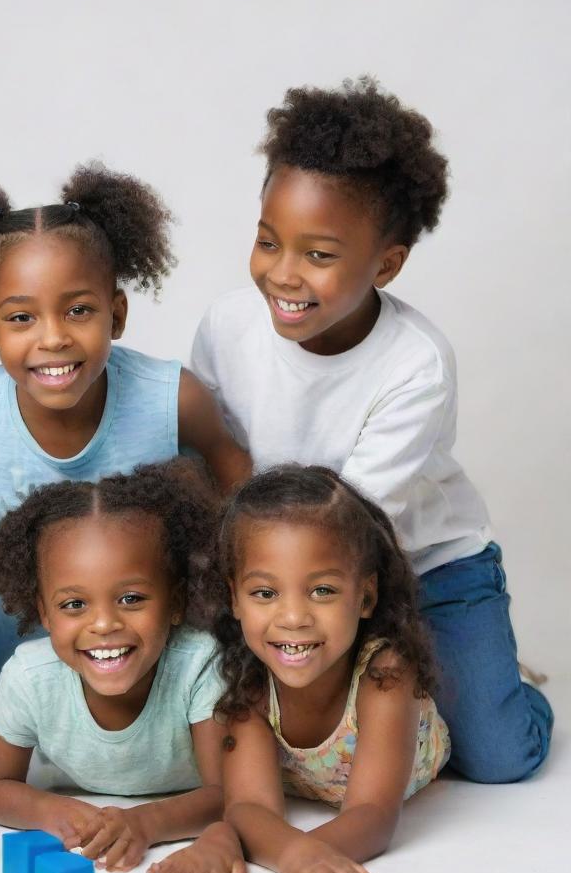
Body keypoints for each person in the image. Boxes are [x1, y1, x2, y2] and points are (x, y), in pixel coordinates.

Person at [190, 77, 552, 783]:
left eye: (319, 256)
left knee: (499, 757)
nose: (283, 274)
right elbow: (217, 458)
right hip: (283, 572)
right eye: (269, 242)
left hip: (418, 566)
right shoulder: (227, 327)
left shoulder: (415, 363)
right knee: (198, 716)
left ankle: (508, 682)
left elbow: (347, 528)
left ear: (385, 264)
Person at [0, 162, 250, 709]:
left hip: (155, 623)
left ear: (117, 313)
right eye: (21, 319)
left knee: (226, 685)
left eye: (79, 310)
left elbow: (238, 480)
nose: (54, 338)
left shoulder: (170, 397)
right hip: (28, 625)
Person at [149, 465, 450, 873]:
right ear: (234, 598)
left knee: (499, 741)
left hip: (424, 749)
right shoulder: (246, 680)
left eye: (322, 590)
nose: (293, 617)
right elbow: (250, 807)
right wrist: (266, 844)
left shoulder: (386, 674)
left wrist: (299, 850)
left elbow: (373, 815)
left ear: (364, 597)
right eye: (265, 594)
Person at [0, 461, 228, 873]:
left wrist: (147, 822)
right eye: (74, 604)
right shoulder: (29, 677)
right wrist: (51, 811)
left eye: (131, 598)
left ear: (177, 601)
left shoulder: (199, 666)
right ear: (44, 612)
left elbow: (228, 793)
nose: (104, 624)